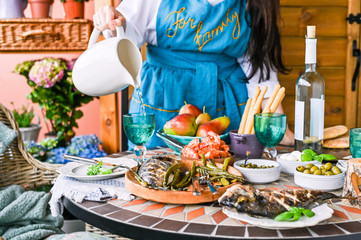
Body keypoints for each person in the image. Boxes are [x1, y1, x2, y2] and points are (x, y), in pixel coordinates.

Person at [93, 0, 294, 148]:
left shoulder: (254, 3)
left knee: (223, 178)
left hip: (228, 103)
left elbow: (261, 75)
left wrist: (279, 130)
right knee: (157, 175)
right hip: (163, 96)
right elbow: (126, 38)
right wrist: (114, 22)